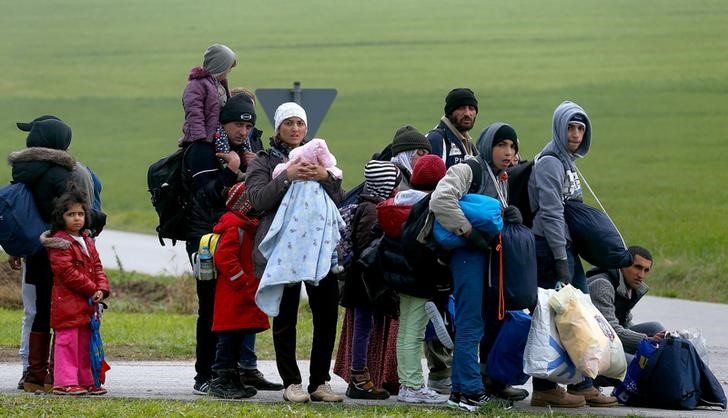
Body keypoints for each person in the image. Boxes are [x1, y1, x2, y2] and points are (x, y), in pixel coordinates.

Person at [246, 102, 344, 403]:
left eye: (300, 124)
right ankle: (291, 383)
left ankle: (319, 382)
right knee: (286, 316)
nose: (295, 129)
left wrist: (323, 177)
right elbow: (257, 200)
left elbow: (340, 196)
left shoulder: (316, 156)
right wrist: (287, 175)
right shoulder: (263, 161)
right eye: (288, 123)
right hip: (283, 250)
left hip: (319, 248)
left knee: (326, 314)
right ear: (278, 128)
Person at [430, 123, 525, 412]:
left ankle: (461, 392)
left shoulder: (501, 177)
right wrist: (468, 232)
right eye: (501, 145)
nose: (508, 152)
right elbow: (440, 199)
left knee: (479, 321)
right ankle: (470, 391)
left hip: (486, 258)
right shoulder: (470, 168)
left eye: (512, 147)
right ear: (487, 146)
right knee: (470, 321)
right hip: (467, 255)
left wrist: (512, 217)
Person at [527, 101, 616, 408]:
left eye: (581, 128)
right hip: (550, 250)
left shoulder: (568, 161)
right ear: (558, 128)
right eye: (570, 127)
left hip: (565, 248)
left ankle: (582, 383)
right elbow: (551, 214)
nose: (576, 134)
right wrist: (561, 261)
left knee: (579, 315)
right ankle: (545, 387)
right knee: (553, 317)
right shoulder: (551, 162)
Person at [183, 94, 255, 395]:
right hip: (205, 241)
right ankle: (204, 375)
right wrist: (230, 170)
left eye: (248, 127)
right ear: (223, 123)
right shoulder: (201, 151)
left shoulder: (245, 150)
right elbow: (207, 195)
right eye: (238, 124)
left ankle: (229, 372)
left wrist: (249, 168)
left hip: (234, 237)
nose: (243, 132)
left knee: (233, 307)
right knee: (210, 307)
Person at [8, 118, 77, 393]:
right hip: (58, 250)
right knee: (59, 310)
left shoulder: (26, 172)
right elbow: (73, 212)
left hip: (35, 251)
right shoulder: (60, 175)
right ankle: (54, 373)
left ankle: (33, 375)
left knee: (38, 311)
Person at [337, 160, 401, 400]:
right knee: (363, 328)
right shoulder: (372, 209)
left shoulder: (366, 204)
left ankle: (361, 377)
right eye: (393, 184)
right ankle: (359, 379)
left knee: (364, 326)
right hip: (365, 281)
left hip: (361, 279)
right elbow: (367, 248)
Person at [39, 187, 110, 395]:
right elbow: (67, 273)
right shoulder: (59, 243)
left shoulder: (87, 240)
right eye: (71, 214)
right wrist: (92, 288)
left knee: (85, 342)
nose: (77, 219)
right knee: (67, 341)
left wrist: (102, 289)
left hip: (87, 303)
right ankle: (65, 382)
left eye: (80, 214)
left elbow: (97, 267)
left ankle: (86, 381)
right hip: (67, 302)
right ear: (61, 217)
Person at [207, 182, 267, 399]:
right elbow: (224, 257)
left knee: (237, 337)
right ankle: (221, 380)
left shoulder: (246, 226)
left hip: (240, 294)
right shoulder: (235, 227)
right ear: (244, 204)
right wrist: (242, 281)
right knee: (229, 339)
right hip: (234, 294)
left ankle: (232, 379)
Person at [587, 246, 666, 386]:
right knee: (641, 367)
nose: (641, 275)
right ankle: (591, 383)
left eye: (646, 270)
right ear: (623, 265)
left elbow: (625, 323)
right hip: (590, 351)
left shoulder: (627, 285)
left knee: (656, 327)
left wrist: (658, 340)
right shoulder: (602, 285)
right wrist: (647, 341)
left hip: (608, 344)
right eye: (637, 267)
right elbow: (609, 332)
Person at [180, 43, 236, 146]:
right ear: (220, 66)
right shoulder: (197, 85)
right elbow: (194, 113)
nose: (230, 71)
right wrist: (200, 140)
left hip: (218, 137)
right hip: (203, 140)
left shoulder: (219, 84)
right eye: (228, 67)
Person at [426, 88, 479, 168]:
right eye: (461, 108)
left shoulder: (468, 143)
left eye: (471, 108)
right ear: (450, 112)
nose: (467, 113)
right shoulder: (436, 140)